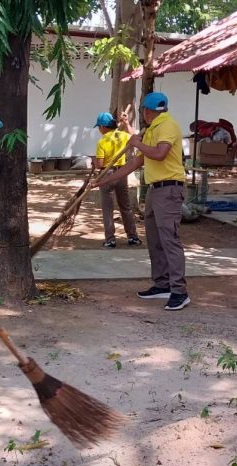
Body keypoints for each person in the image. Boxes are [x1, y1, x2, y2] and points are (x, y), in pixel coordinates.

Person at [95, 92, 190, 311]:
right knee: (155, 239)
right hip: (155, 189)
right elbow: (137, 162)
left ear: (147, 111)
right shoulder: (152, 129)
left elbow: (160, 153)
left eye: (143, 111)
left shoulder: (167, 126)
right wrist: (105, 179)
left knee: (170, 240)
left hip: (169, 189)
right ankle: (162, 284)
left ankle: (179, 291)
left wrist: (137, 143)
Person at [93, 112, 141, 248]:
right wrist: (127, 123)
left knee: (107, 208)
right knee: (125, 206)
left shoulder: (102, 141)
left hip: (106, 175)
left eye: (99, 127)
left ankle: (110, 239)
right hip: (121, 173)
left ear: (103, 127)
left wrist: (94, 162)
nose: (99, 130)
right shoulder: (122, 135)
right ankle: (132, 237)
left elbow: (100, 164)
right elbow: (135, 137)